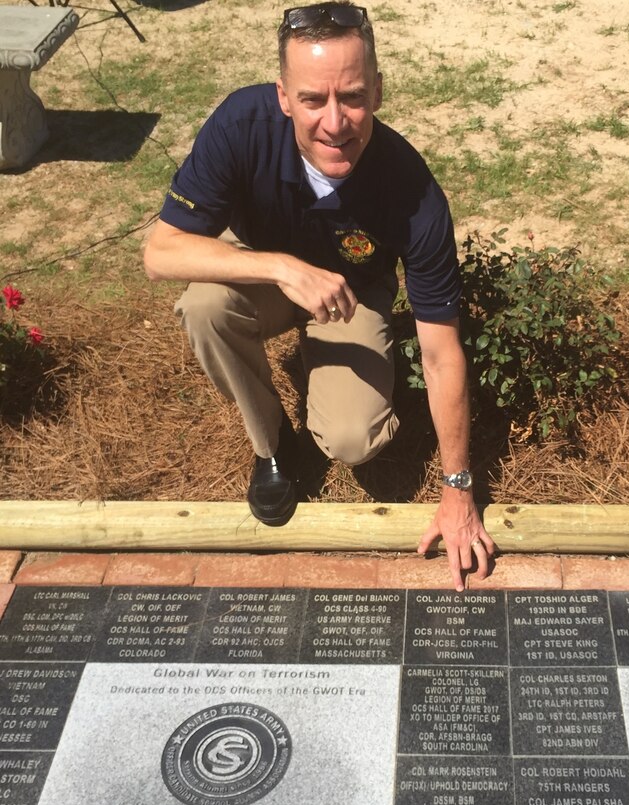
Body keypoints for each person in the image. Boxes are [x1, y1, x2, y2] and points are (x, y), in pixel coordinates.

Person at [143, 2, 495, 591]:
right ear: (283, 97)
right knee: (204, 307)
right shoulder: (239, 125)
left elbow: (440, 350)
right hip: (269, 276)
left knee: (354, 441)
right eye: (312, 100)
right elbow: (160, 252)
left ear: (378, 91)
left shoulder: (413, 191)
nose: (335, 122)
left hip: (354, 296)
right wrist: (282, 267)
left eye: (353, 96)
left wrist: (458, 490)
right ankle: (274, 444)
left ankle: (327, 371)